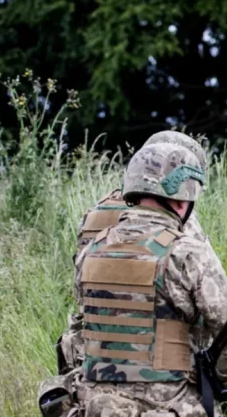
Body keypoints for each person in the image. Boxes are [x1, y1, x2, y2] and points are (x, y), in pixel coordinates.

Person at [69, 143, 227, 417]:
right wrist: (216, 387)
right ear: (182, 199)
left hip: (97, 406)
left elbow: (80, 329)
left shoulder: (92, 249)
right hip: (168, 405)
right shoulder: (186, 252)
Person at [55, 131, 211, 379]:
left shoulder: (96, 212)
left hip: (92, 356)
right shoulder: (176, 219)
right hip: (155, 369)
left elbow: (80, 290)